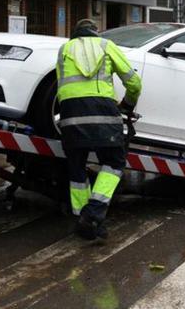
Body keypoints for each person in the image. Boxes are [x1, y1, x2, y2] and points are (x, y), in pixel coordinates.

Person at [56, 19, 142, 240]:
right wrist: (128, 106)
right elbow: (134, 83)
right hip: (103, 113)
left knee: (77, 168)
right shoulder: (106, 46)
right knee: (114, 162)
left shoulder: (64, 49)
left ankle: (83, 220)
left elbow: (61, 84)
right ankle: (93, 213)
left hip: (70, 115)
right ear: (96, 33)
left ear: (75, 34)